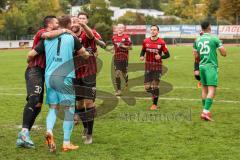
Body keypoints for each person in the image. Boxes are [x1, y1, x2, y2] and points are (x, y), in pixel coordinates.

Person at [28, 15, 90, 152]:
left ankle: (49, 131)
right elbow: (84, 54)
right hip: (65, 77)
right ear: (68, 24)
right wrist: (87, 53)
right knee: (68, 110)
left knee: (53, 108)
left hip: (50, 77)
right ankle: (66, 143)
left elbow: (31, 54)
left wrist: (29, 63)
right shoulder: (72, 38)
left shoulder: (47, 39)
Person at [16, 15, 71, 148]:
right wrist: (65, 30)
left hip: (43, 73)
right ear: (50, 24)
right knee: (34, 98)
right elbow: (30, 54)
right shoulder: (43, 32)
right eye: (57, 22)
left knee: (39, 105)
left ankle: (24, 136)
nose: (59, 24)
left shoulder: (54, 37)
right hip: (35, 71)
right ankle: (23, 133)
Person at [73, 12, 104, 145]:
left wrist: (84, 26)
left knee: (89, 103)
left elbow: (93, 38)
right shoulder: (69, 35)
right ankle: (85, 127)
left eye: (82, 19)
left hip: (89, 72)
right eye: (76, 20)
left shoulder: (89, 34)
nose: (78, 22)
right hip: (75, 72)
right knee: (79, 104)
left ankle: (90, 134)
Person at [193, 21, 226, 121]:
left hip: (201, 66)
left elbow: (195, 56)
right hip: (211, 66)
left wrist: (197, 68)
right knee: (212, 90)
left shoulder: (197, 40)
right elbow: (224, 53)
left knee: (204, 89)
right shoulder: (214, 38)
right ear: (209, 27)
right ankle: (205, 112)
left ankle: (205, 110)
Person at [140, 25, 170, 110]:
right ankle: (154, 94)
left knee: (155, 86)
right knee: (147, 87)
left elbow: (168, 55)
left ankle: (154, 104)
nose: (153, 31)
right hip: (148, 66)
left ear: (158, 32)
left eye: (155, 30)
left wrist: (160, 57)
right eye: (152, 30)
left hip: (157, 67)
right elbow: (142, 51)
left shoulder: (161, 42)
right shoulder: (145, 41)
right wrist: (142, 56)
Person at [112, 24, 132, 96]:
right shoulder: (114, 37)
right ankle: (119, 91)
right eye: (118, 28)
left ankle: (126, 81)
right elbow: (115, 46)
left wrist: (123, 46)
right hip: (117, 58)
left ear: (124, 29)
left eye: (121, 28)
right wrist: (113, 51)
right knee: (117, 73)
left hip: (124, 58)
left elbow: (131, 48)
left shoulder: (127, 37)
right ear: (116, 29)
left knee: (124, 73)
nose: (120, 29)